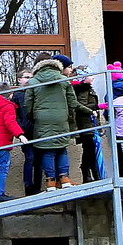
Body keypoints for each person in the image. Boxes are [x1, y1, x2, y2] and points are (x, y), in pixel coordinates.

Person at [25, 54, 92, 190]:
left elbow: (28, 105)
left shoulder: (33, 82)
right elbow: (72, 103)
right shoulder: (64, 80)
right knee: (61, 148)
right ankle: (64, 178)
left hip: (41, 118)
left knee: (47, 151)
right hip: (61, 118)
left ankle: (50, 182)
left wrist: (34, 116)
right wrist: (74, 114)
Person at [0, 84, 28, 204]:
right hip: (2, 143)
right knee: (2, 168)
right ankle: (0, 194)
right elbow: (10, 122)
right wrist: (20, 135)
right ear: (10, 94)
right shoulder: (7, 106)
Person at [11, 68, 41, 196]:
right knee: (30, 158)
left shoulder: (37, 92)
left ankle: (37, 185)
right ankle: (28, 186)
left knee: (39, 160)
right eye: (26, 77)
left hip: (39, 130)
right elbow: (14, 114)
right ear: (19, 80)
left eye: (31, 77)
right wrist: (20, 128)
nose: (29, 80)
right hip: (25, 132)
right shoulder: (17, 95)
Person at [70, 67, 102, 182]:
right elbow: (80, 106)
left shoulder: (87, 89)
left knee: (90, 149)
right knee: (89, 149)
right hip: (85, 124)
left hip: (89, 123)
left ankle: (92, 174)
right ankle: (89, 174)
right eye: (90, 75)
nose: (93, 78)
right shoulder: (82, 90)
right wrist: (97, 107)